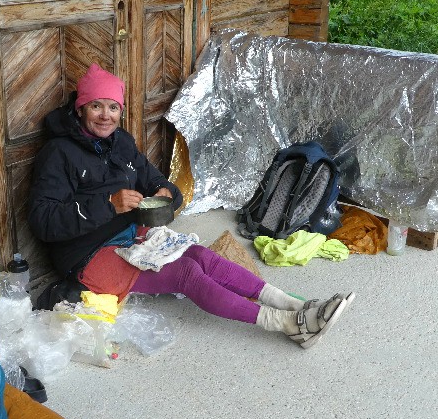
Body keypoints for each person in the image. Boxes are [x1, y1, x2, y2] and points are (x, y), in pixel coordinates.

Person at [27, 63, 355, 349]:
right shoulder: (58, 154)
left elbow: (157, 181)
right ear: (81, 108)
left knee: (200, 256)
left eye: (113, 107)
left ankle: (291, 304)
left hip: (130, 235)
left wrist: (166, 192)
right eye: (96, 106)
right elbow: (43, 221)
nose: (105, 115)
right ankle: (289, 325)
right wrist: (109, 204)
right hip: (87, 255)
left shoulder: (121, 142)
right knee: (186, 273)